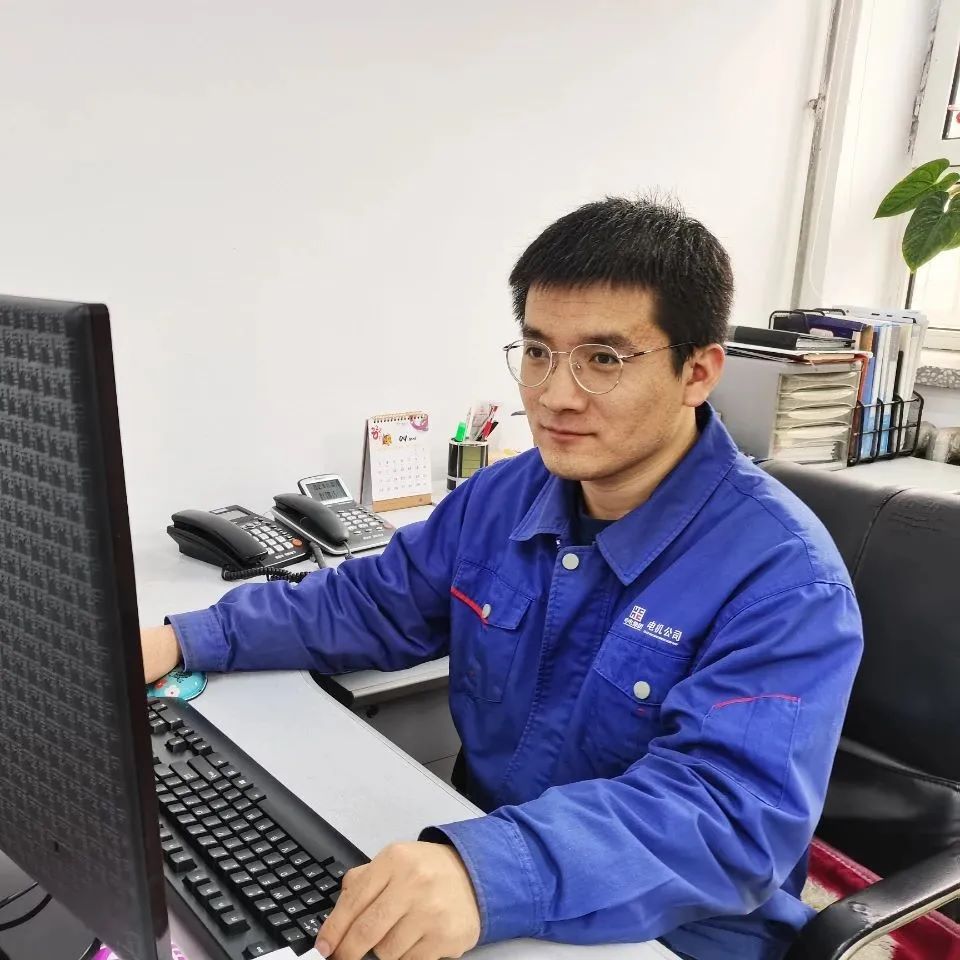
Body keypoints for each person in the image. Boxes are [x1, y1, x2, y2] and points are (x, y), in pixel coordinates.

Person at [142, 197, 863, 960]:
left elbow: (727, 821)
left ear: (698, 372)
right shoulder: (506, 495)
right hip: (483, 886)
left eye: (604, 359)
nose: (555, 394)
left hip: (669, 936)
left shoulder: (787, 580)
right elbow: (373, 603)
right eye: (539, 351)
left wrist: (488, 871)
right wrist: (184, 639)